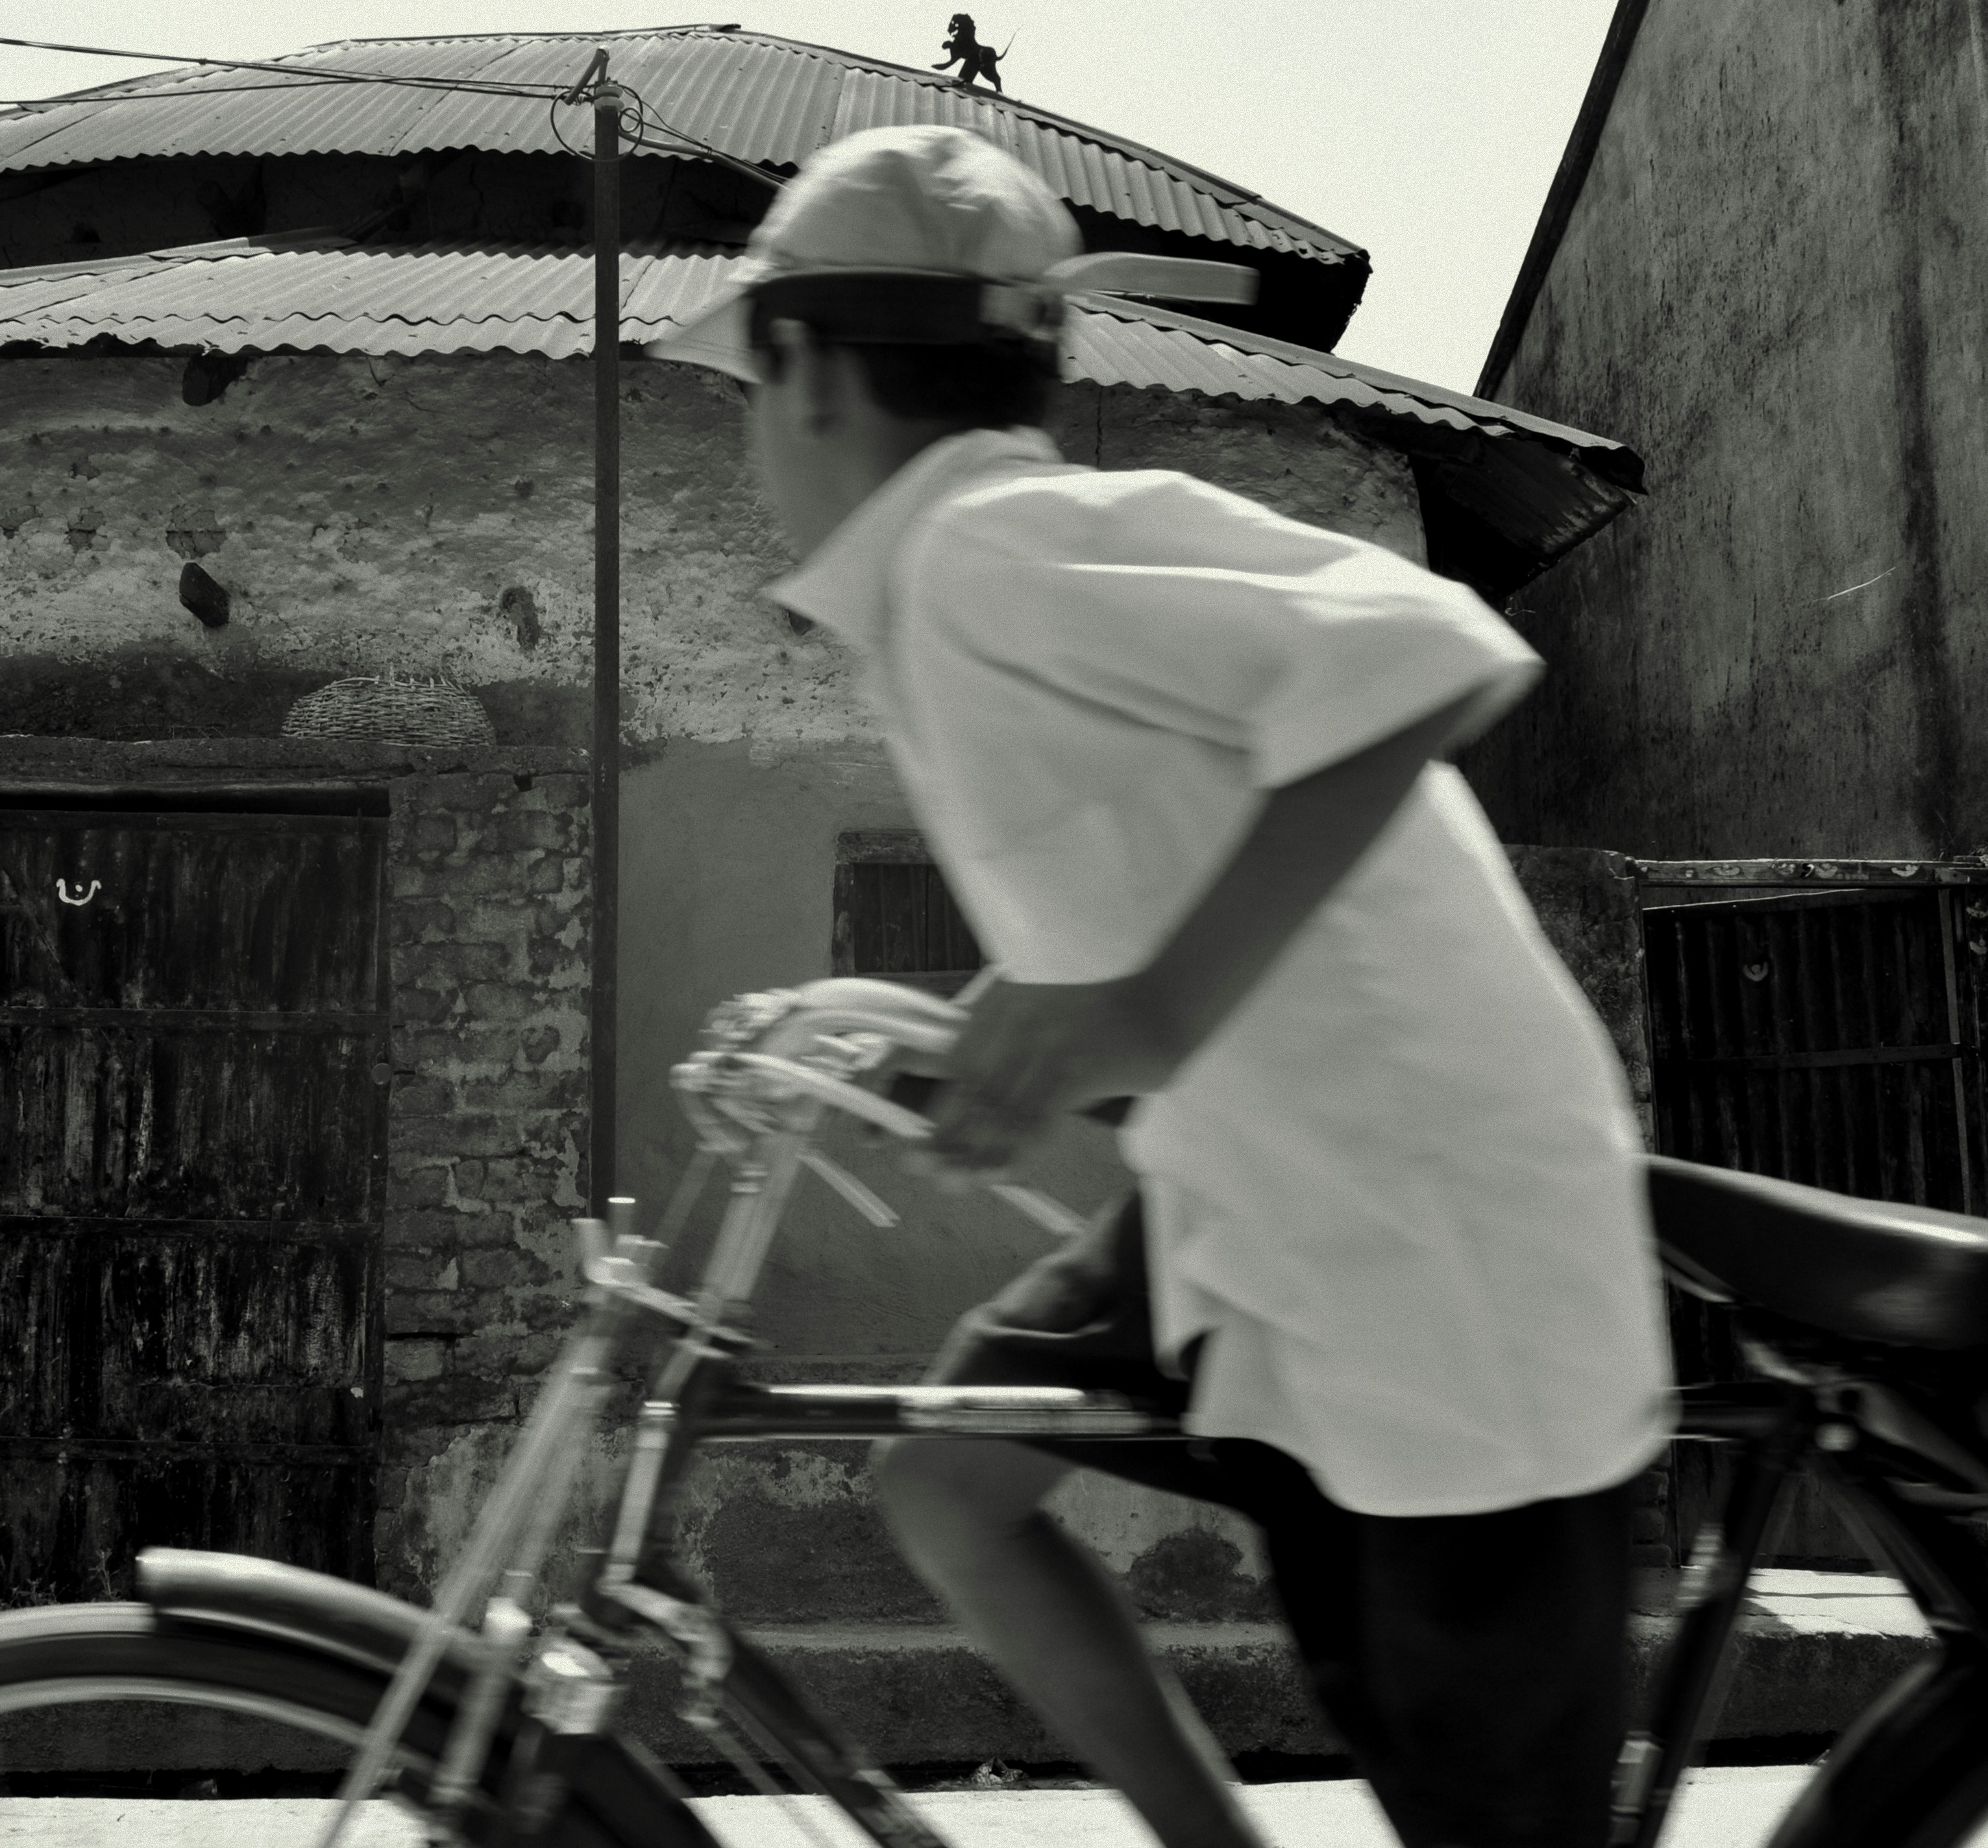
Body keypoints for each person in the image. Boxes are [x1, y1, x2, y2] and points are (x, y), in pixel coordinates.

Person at [652, 125, 1673, 1848]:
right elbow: (1135, 943)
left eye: (750, 384)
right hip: (1265, 1207)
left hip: (1440, 1258)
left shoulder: (995, 552)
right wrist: (895, 1026)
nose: (748, 436)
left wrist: (1137, 1020)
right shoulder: (950, 594)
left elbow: (1434, 654)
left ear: (814, 371)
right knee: (952, 1480)